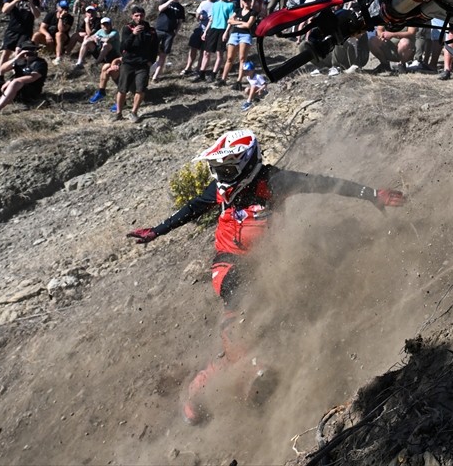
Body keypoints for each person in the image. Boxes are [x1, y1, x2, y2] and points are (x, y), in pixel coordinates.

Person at [126, 129, 406, 424]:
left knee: (279, 318)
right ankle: (250, 375)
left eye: (227, 168)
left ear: (246, 164)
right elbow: (192, 207)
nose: (221, 175)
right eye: (218, 169)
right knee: (241, 303)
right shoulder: (222, 189)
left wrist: (372, 194)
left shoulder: (275, 181)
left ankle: (204, 387)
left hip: (267, 265)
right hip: (229, 263)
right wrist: (157, 230)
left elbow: (325, 184)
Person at [115, 6, 157, 122]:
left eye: (141, 15)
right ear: (132, 16)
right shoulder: (127, 28)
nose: (139, 18)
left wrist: (150, 61)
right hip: (128, 63)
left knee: (141, 89)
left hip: (143, 65)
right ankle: (118, 113)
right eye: (136, 15)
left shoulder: (151, 30)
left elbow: (155, 48)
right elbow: (123, 47)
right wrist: (133, 34)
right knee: (122, 89)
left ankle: (134, 112)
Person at [0, 0, 43, 70]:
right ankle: (1, 73)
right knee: (6, 52)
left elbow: (37, 15)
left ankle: (17, 71)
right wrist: (17, 0)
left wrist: (31, 2)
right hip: (12, 29)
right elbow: (5, 10)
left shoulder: (35, 0)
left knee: (20, 51)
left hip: (26, 30)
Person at [151, 0, 188, 81]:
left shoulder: (180, 8)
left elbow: (179, 21)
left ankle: (156, 76)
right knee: (152, 51)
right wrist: (171, 0)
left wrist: (176, 32)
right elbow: (160, 9)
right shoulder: (165, 1)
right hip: (159, 30)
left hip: (169, 33)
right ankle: (147, 71)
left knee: (163, 54)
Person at [219, 0, 257, 86]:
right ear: (242, 1)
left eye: (248, 0)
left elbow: (248, 25)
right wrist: (241, 22)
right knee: (229, 58)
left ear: (250, 1)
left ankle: (238, 81)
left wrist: (236, 22)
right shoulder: (238, 10)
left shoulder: (253, 12)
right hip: (234, 34)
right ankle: (223, 79)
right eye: (245, 0)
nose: (247, 2)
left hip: (245, 35)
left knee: (242, 58)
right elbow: (229, 20)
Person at [34, 0, 75, 64]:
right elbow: (42, 28)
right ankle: (32, 54)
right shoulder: (51, 14)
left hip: (62, 39)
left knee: (59, 34)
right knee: (36, 35)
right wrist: (47, 35)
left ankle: (58, 57)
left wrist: (61, 18)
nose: (64, 10)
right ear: (58, 7)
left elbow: (61, 30)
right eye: (63, 8)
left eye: (66, 8)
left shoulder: (69, 18)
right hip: (49, 38)